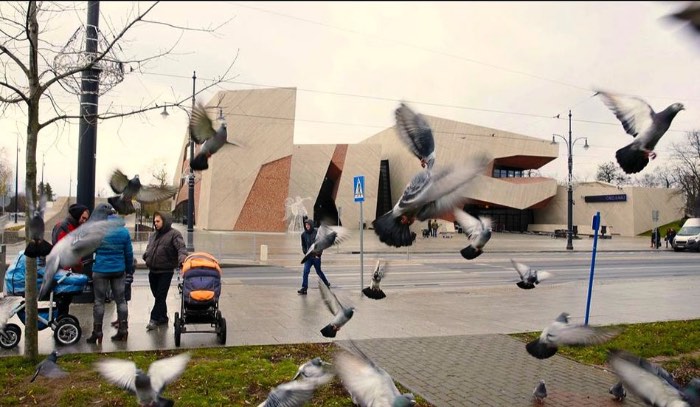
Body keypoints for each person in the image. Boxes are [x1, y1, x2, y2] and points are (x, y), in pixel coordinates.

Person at [86, 204, 134, 343]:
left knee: (99, 302)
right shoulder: (123, 232)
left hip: (100, 270)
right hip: (119, 270)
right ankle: (123, 330)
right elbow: (128, 254)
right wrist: (129, 270)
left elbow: (91, 249)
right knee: (121, 300)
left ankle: (97, 332)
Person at [142, 211, 188, 331]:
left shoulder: (174, 234)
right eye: (154, 221)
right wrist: (146, 255)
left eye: (158, 221)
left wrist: (183, 261)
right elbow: (150, 247)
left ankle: (154, 319)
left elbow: (181, 248)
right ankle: (163, 317)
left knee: (160, 296)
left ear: (165, 221)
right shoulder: (153, 235)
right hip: (152, 270)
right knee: (157, 295)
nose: (155, 223)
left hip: (166, 271)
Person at [50, 203, 90, 317]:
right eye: (83, 218)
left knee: (66, 299)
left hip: (67, 270)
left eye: (86, 219)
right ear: (77, 215)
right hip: (62, 270)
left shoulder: (74, 228)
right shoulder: (63, 227)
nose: (84, 221)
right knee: (62, 299)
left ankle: (62, 320)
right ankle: (61, 320)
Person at [297, 219, 331, 295]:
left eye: (308, 225)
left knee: (318, 271)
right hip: (308, 257)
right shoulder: (303, 234)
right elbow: (303, 245)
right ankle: (304, 288)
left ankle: (326, 283)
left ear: (311, 225)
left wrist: (318, 255)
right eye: (306, 225)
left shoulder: (317, 233)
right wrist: (306, 252)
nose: (307, 226)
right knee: (305, 272)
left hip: (316, 257)